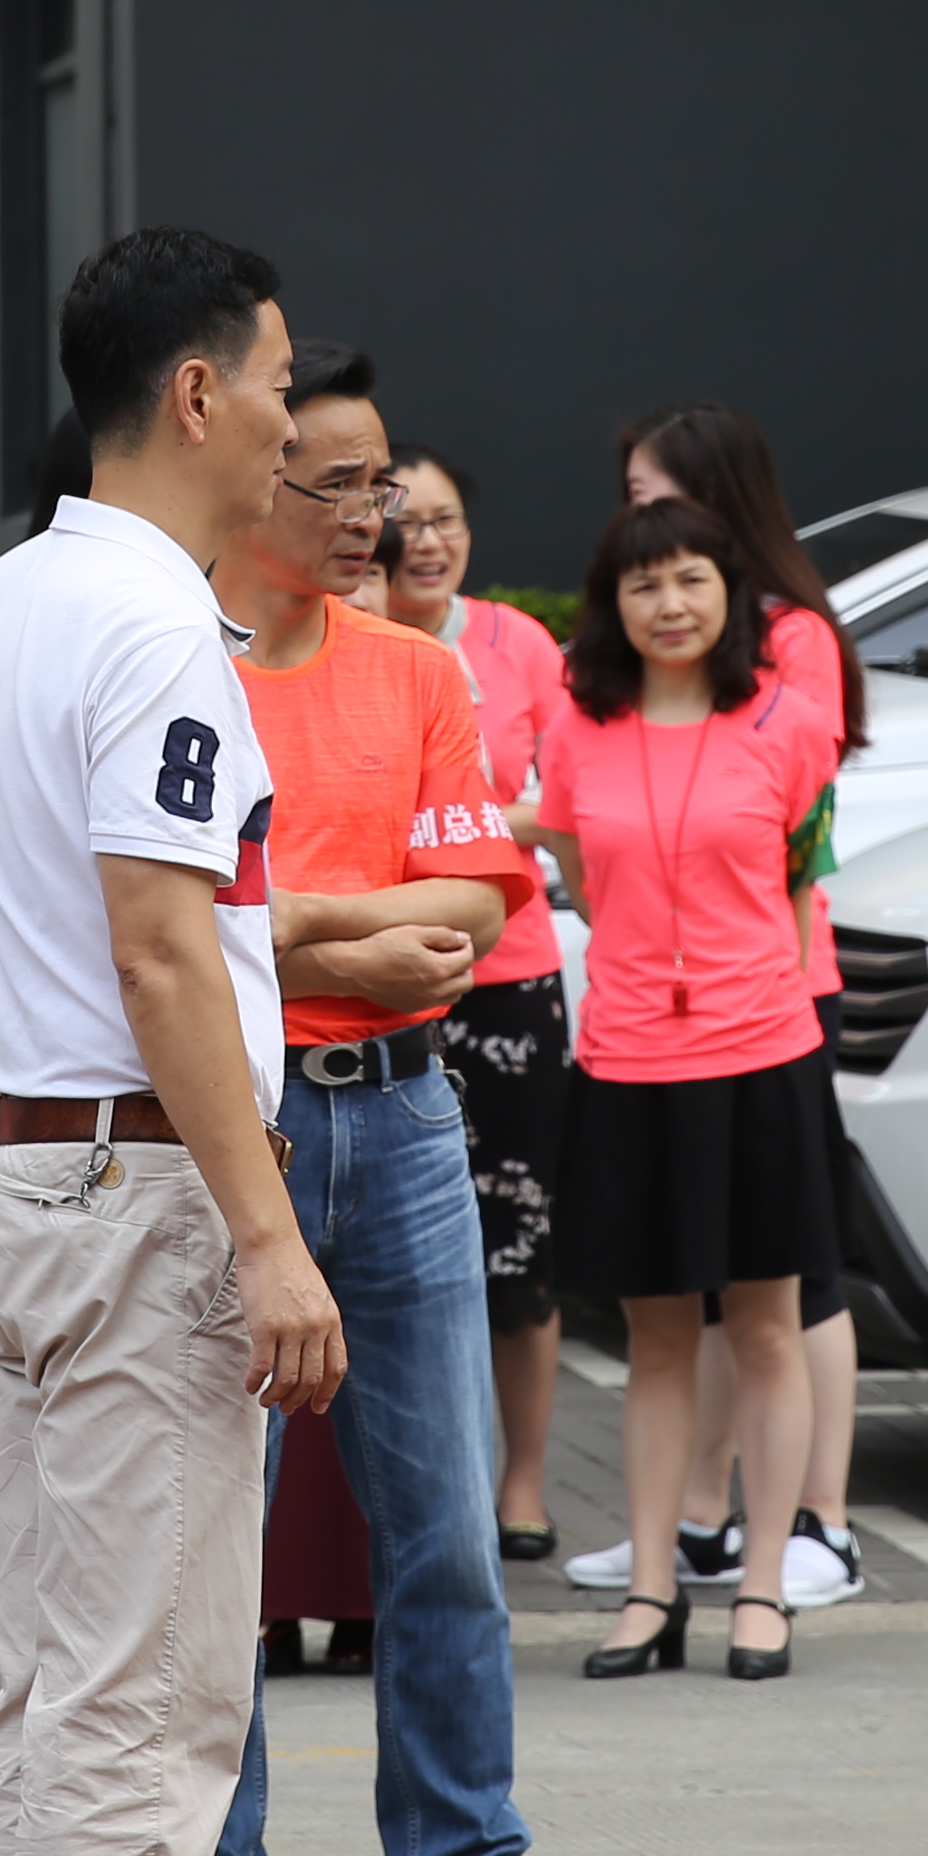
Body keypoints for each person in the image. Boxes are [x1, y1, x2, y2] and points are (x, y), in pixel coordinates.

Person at [0, 226, 349, 1856]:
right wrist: (267, 1236)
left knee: (59, 1694)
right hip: (134, 1188)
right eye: (275, 378)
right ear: (196, 395)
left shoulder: (15, 594)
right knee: (145, 1706)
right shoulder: (152, 625)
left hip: (43, 1175)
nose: (293, 416)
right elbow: (165, 942)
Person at [192, 344, 601, 1856]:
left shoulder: (419, 676)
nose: (372, 514)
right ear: (251, 474)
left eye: (384, 485)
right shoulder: (174, 673)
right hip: (234, 1122)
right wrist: (340, 924)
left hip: (410, 1115)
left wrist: (287, 925)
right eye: (336, 480)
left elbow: (478, 918)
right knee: (209, 1539)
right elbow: (180, 934)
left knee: (438, 1529)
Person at [557, 402, 871, 1620]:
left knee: (775, 1320)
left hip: (762, 1046)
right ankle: (658, 1577)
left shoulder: (789, 708)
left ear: (726, 586)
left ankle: (777, 1572)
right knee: (657, 1339)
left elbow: (798, 872)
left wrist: (758, 982)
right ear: (615, 600)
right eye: (644, 574)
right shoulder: (587, 731)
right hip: (633, 1053)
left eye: (690, 573)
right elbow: (591, 879)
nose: (669, 597)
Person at [379, 450, 581, 1561]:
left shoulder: (519, 644)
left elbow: (571, 786)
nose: (429, 541)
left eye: (448, 519)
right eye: (406, 520)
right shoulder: (355, 635)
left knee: (518, 1247)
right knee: (406, 1258)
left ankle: (526, 1483)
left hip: (513, 971)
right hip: (389, 976)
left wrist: (503, 819)